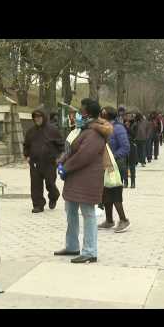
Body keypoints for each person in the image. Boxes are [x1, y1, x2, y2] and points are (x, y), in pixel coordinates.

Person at [54, 98, 113, 264]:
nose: (78, 113)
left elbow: (83, 156)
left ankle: (90, 251)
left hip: (87, 179)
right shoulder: (85, 130)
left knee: (88, 214)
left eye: (81, 110)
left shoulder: (95, 133)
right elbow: (73, 149)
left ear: (87, 113)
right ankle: (72, 245)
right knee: (71, 212)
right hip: (76, 178)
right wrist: (62, 161)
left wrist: (66, 167)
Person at [23, 106, 64, 213]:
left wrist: (59, 158)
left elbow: (61, 145)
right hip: (35, 163)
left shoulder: (53, 130)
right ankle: (38, 205)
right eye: (35, 117)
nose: (37, 119)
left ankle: (54, 196)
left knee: (50, 183)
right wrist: (27, 156)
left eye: (39, 117)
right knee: (35, 184)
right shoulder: (30, 132)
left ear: (44, 117)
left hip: (50, 162)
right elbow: (26, 145)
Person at [97, 107, 131, 233]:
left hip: (116, 164)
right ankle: (109, 220)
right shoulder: (104, 127)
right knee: (105, 193)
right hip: (105, 165)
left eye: (101, 114)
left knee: (115, 193)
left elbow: (125, 147)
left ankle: (123, 219)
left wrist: (112, 158)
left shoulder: (118, 128)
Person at [123, 116, 138, 188]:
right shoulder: (122, 126)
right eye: (126, 120)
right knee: (125, 165)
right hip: (124, 147)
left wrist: (128, 127)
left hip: (132, 146)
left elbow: (134, 135)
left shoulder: (135, 125)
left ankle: (133, 182)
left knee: (132, 165)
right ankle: (125, 182)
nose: (127, 121)